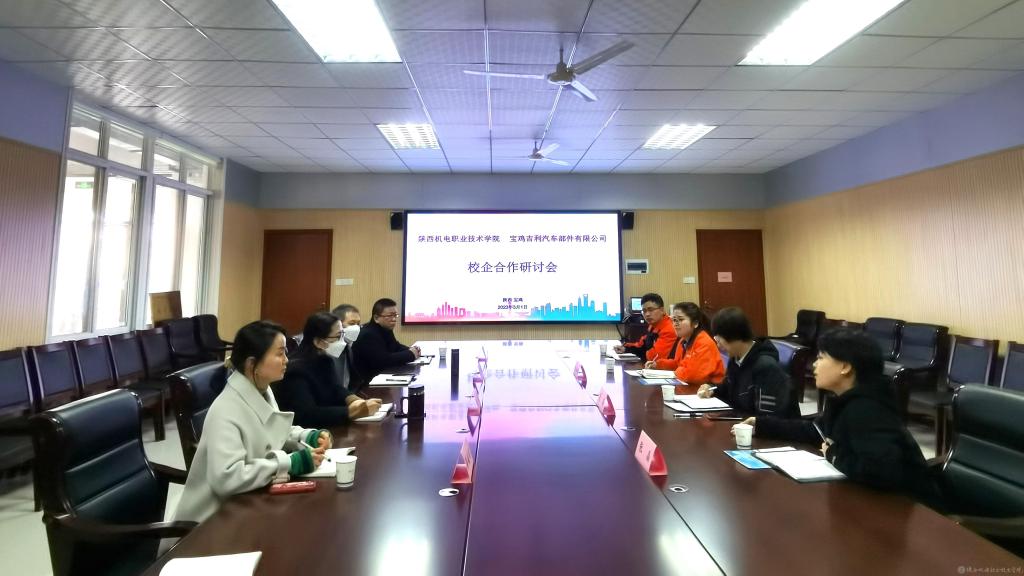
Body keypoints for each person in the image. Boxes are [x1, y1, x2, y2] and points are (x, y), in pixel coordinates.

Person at [733, 328, 940, 503]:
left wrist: (834, 455)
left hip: (908, 507)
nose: (815, 364)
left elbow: (881, 471)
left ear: (845, 367)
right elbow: (815, 430)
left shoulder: (867, 409)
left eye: (821, 357)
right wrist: (762, 425)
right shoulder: (847, 400)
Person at [173, 321, 331, 524]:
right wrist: (290, 463)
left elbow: (270, 431)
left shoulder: (261, 388)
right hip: (213, 519)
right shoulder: (226, 409)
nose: (286, 360)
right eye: (279, 353)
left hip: (249, 501)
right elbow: (227, 478)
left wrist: (306, 436)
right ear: (251, 364)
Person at [273, 311, 381, 428]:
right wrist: (352, 411)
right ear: (318, 342)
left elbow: (336, 388)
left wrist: (356, 401)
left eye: (342, 334)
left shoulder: (324, 359)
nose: (342, 341)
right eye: (338, 337)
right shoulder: (295, 371)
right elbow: (307, 415)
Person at [697, 307, 798, 417]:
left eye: (719, 340)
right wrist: (711, 389)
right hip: (740, 420)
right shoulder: (736, 358)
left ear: (734, 336)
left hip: (761, 426)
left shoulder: (765, 367)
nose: (718, 346)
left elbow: (767, 417)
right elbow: (727, 389)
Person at [644, 302, 725, 385]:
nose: (675, 324)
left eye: (681, 319)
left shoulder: (704, 342)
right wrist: (657, 364)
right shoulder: (683, 340)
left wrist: (677, 372)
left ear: (695, 323)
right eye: (674, 320)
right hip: (690, 385)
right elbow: (677, 364)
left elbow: (693, 376)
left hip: (711, 389)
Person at [352, 297, 420, 390]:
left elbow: (395, 346)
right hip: (367, 386)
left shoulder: (385, 329)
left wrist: (412, 350)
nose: (394, 319)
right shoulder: (368, 334)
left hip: (381, 379)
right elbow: (384, 361)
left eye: (395, 315)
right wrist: (411, 354)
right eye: (390, 316)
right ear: (376, 318)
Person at [614, 292, 676, 362]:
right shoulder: (653, 325)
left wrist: (640, 352)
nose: (647, 314)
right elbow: (641, 345)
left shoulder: (669, 329)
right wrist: (625, 348)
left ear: (662, 310)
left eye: (651, 310)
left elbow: (654, 358)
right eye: (644, 311)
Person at [330, 303, 363, 391]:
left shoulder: (347, 348)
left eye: (358, 323)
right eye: (352, 323)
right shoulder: (328, 350)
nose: (356, 327)